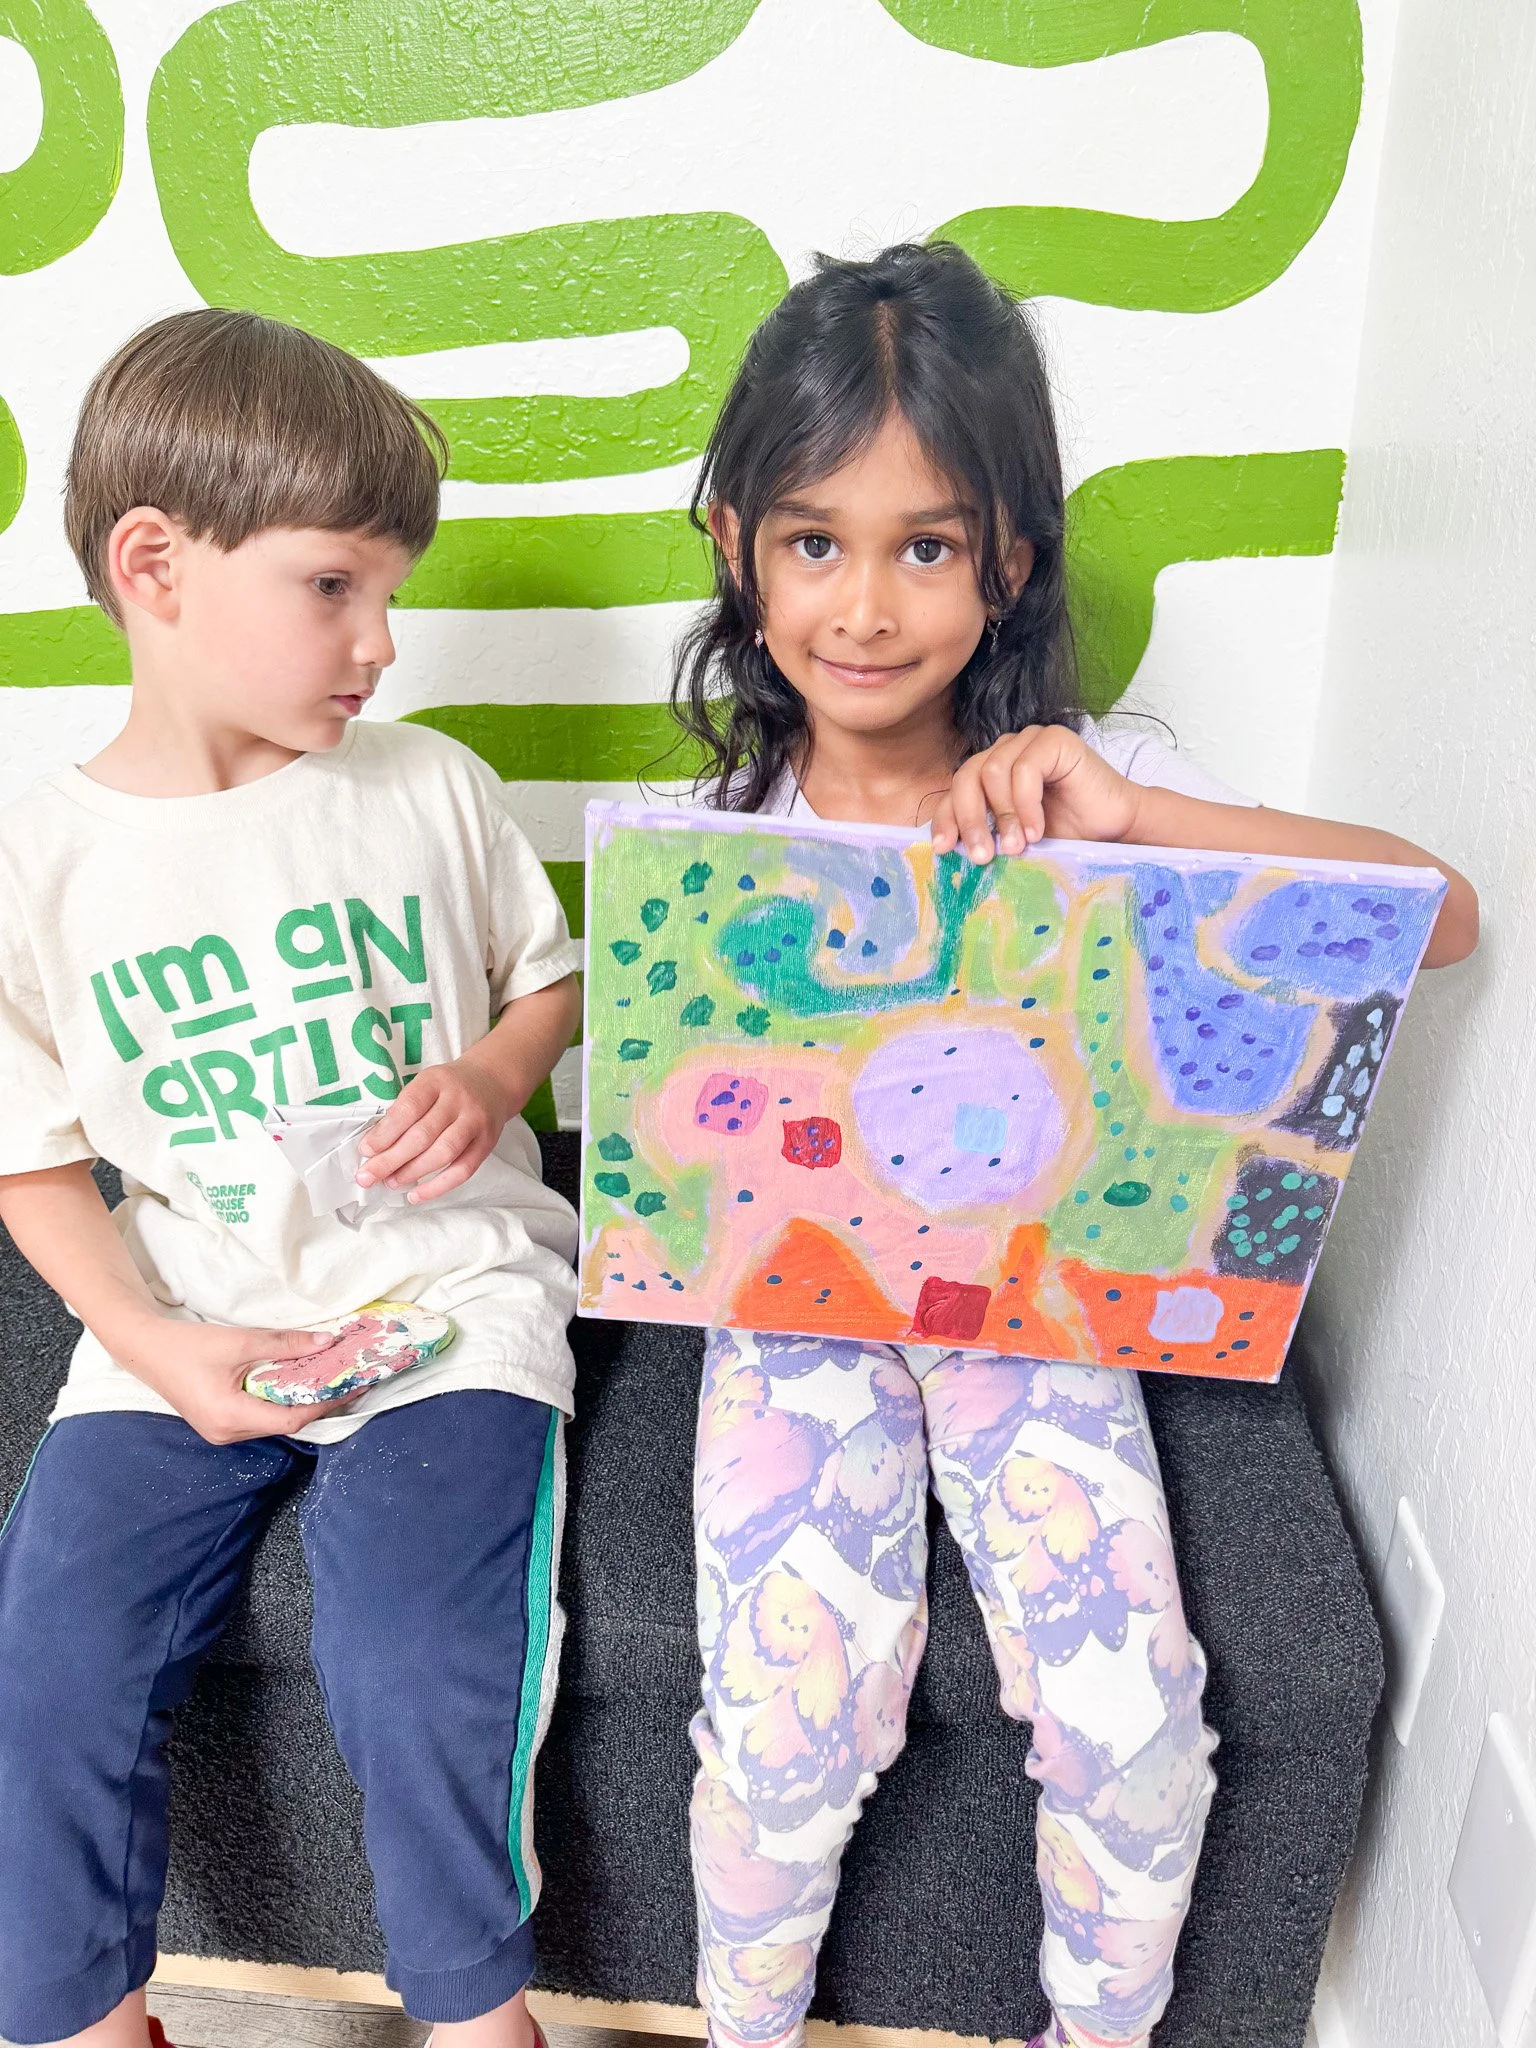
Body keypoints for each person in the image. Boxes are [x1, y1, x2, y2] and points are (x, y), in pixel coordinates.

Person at [668, 243, 1478, 2048]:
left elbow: (1443, 915)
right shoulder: (711, 839)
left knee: (1134, 1726)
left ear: (1009, 558)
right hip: (801, 1307)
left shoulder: (1084, 791)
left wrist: (1128, 816)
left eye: (927, 546)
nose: (866, 607)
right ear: (737, 541)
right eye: (817, 542)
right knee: (791, 1717)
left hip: (1040, 1300)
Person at [0, 311, 581, 2048]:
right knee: (48, 1654)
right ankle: (79, 2014)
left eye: (389, 592)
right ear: (156, 567)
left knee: (412, 1655)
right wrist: (158, 1346)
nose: (382, 642)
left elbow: (545, 982)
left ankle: (478, 2011)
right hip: (189, 1311)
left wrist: (489, 1074)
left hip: (448, 1295)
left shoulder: (430, 791)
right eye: (336, 587)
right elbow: (31, 1163)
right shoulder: (39, 859)